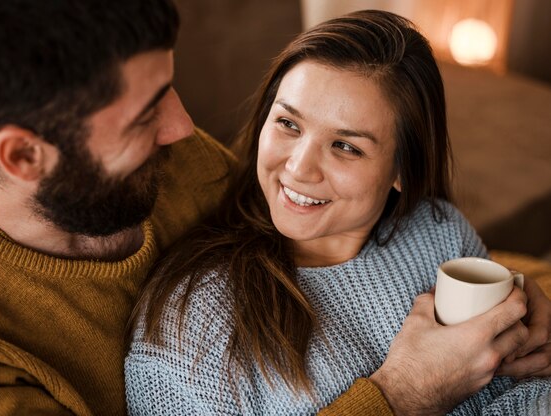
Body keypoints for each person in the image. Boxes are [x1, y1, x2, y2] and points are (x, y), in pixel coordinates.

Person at [126, 10, 551, 415]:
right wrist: (403, 395)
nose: (298, 168)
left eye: (345, 146)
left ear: (402, 169)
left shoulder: (440, 232)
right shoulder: (193, 323)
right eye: (288, 124)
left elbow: (516, 392)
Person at [0, 1, 236, 415]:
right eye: (145, 115)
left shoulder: (168, 156)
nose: (181, 127)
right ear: (23, 155)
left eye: (167, 88)